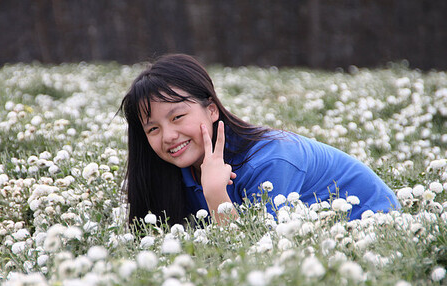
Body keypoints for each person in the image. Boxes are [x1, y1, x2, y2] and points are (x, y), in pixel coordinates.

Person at [119, 54, 400, 226]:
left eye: (177, 117)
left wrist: (216, 194)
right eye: (153, 129)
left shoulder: (269, 160)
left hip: (377, 230)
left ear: (212, 109)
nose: (168, 136)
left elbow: (260, 257)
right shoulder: (177, 170)